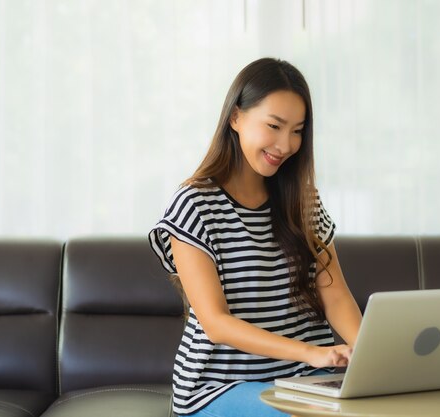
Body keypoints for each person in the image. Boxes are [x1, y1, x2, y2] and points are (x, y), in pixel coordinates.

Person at [148, 57, 362, 417]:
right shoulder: (194, 205)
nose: (286, 144)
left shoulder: (304, 200)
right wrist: (311, 353)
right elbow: (216, 324)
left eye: (297, 130)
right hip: (219, 386)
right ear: (236, 118)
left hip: (308, 378)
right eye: (274, 126)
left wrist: (373, 357)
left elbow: (335, 295)